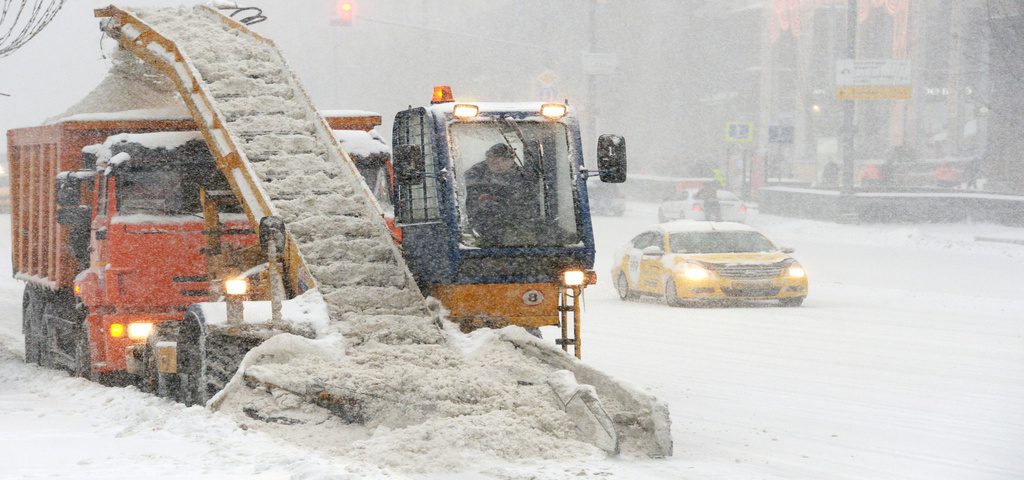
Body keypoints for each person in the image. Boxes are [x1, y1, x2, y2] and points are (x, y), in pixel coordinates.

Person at [464, 143, 537, 245]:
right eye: (494, 161)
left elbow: (529, 208)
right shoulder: (475, 176)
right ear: (487, 160)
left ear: (512, 160)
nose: (499, 165)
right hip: (483, 228)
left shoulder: (523, 178)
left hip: (515, 227)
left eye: (504, 160)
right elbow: (468, 204)